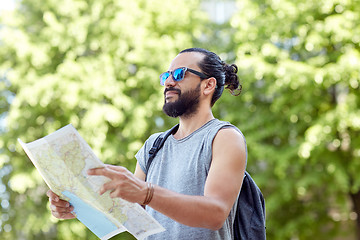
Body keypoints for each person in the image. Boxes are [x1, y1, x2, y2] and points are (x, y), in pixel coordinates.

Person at [47, 47, 247, 240]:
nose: (168, 82)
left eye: (179, 74)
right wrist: (76, 207)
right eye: (165, 76)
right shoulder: (154, 145)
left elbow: (215, 213)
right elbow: (129, 215)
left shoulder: (224, 137)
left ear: (208, 85)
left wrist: (147, 193)